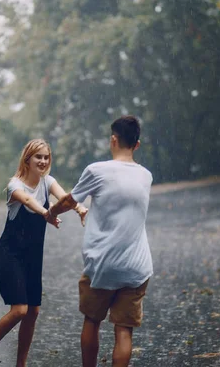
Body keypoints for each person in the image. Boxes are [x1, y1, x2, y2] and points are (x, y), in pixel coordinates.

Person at [0, 139, 88, 367]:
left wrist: (80, 208)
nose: (43, 161)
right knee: (20, 310)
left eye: (46, 157)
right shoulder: (15, 185)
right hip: (10, 254)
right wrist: (47, 213)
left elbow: (64, 198)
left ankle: (20, 364)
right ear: (27, 159)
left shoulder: (48, 182)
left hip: (33, 257)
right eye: (38, 157)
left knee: (33, 312)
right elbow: (28, 200)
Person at [48, 116, 153, 367]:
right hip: (136, 267)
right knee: (124, 330)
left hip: (102, 266)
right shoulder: (146, 176)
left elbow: (69, 201)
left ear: (113, 140)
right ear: (136, 145)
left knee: (92, 321)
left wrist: (50, 213)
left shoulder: (97, 171)